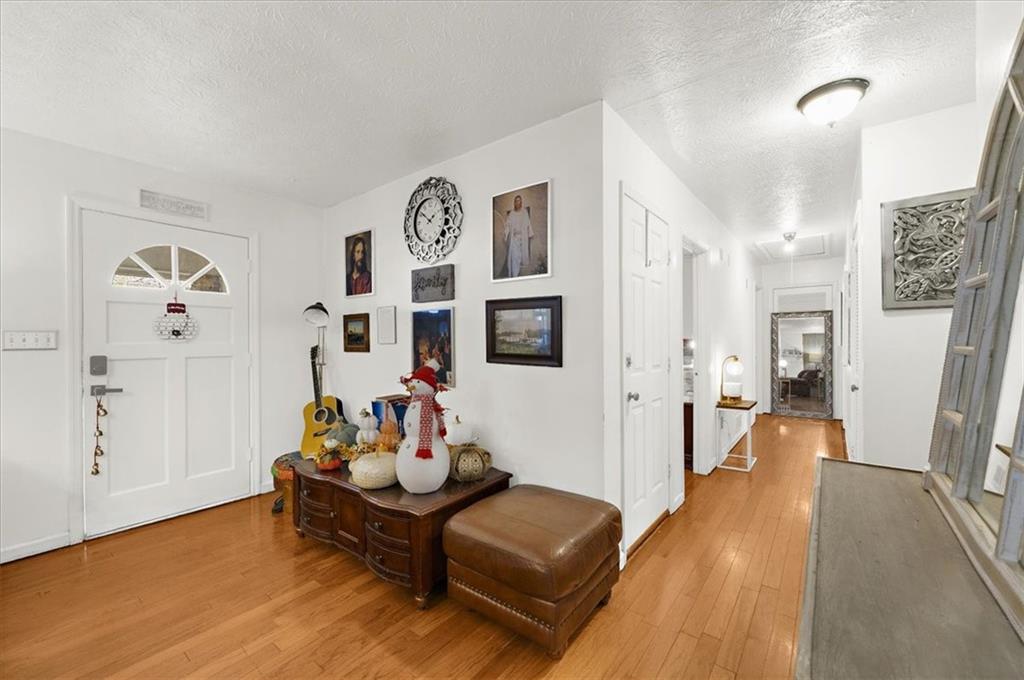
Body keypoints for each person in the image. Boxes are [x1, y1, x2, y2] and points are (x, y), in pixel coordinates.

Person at [503, 195, 534, 278]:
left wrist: (530, 233)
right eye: (516, 201)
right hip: (514, 240)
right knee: (514, 258)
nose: (518, 202)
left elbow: (528, 224)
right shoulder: (512, 214)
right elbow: (507, 225)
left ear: (521, 202)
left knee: (521, 257)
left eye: (519, 201)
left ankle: (516, 276)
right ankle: (514, 275)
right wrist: (506, 235)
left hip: (522, 238)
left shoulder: (524, 212)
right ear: (514, 203)